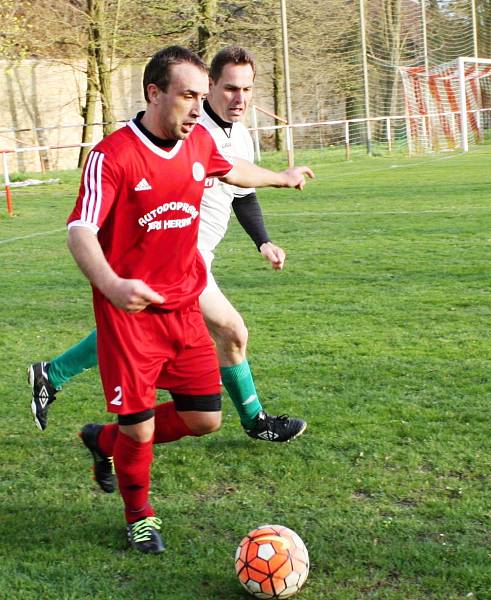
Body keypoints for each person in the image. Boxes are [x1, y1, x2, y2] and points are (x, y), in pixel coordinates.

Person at [64, 45, 313, 554]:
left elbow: (233, 170)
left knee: (204, 420)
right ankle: (140, 516)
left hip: (184, 307)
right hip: (130, 318)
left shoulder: (198, 141)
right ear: (154, 93)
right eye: (187, 96)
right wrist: (113, 285)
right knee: (139, 432)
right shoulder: (111, 157)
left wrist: (281, 179)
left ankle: (103, 439)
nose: (198, 108)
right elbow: (79, 231)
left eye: (202, 96)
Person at [29, 46, 306, 443]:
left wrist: (264, 235)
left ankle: (55, 377)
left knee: (149, 328)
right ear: (209, 88)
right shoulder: (182, 130)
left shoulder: (235, 134)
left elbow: (239, 185)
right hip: (175, 259)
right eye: (229, 89)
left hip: (191, 261)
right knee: (228, 330)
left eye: (246, 89)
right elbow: (87, 219)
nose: (239, 98)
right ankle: (254, 421)